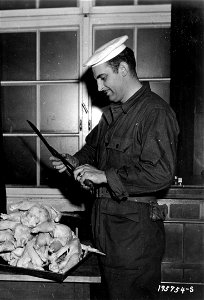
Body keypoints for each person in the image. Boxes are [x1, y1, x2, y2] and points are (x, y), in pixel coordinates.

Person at [50, 35, 179, 300]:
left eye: (103, 77)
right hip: (106, 232)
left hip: (133, 239)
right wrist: (74, 161)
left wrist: (104, 176)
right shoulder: (113, 114)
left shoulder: (155, 112)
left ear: (122, 69)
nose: (98, 87)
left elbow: (161, 173)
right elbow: (93, 150)